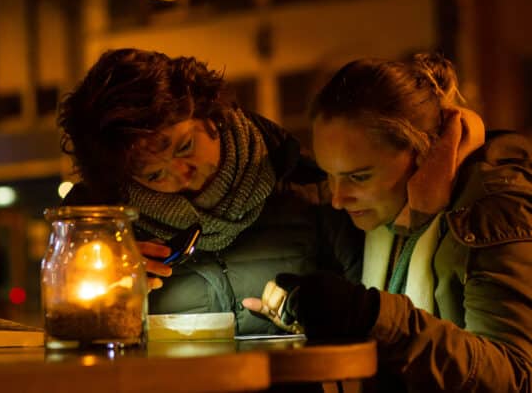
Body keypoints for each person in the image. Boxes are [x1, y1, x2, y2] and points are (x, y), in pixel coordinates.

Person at [243, 53, 532, 392]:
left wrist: (373, 316)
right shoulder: (387, 210)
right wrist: (306, 313)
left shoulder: (493, 210)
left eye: (359, 177)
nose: (338, 199)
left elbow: (516, 376)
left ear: (423, 152)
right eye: (330, 175)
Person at [57, 48, 361, 335]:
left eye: (185, 146)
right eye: (154, 175)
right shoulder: (104, 233)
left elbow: (366, 317)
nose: (181, 173)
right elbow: (75, 338)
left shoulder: (308, 186)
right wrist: (103, 298)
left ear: (209, 111)